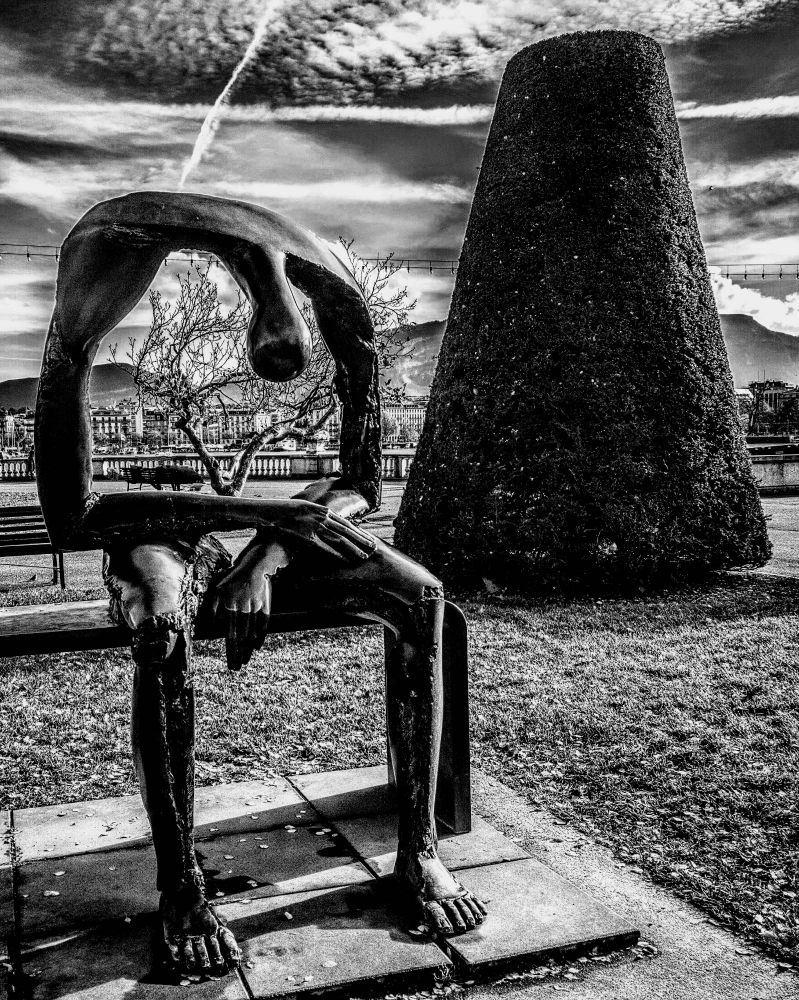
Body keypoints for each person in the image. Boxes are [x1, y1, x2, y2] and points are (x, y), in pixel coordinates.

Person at [35, 192, 486, 976]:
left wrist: (264, 554)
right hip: (149, 520)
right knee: (159, 626)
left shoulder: (339, 293)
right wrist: (254, 509)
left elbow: (357, 486)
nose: (271, 348)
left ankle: (418, 854)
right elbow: (73, 514)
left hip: (268, 530)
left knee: (420, 597)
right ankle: (182, 884)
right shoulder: (114, 240)